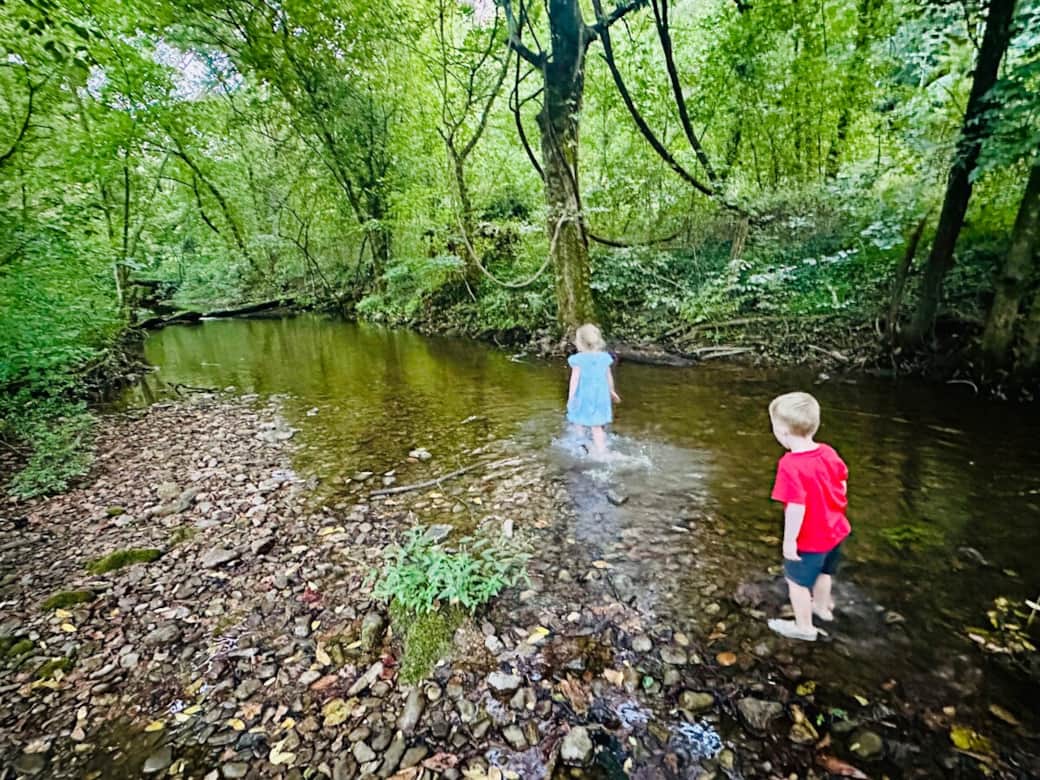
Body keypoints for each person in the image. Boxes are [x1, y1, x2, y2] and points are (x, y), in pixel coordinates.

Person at [766, 391, 851, 641]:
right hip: (835, 531)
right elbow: (842, 484)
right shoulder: (827, 452)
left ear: (783, 432)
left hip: (810, 539)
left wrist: (790, 541)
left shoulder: (790, 465)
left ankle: (804, 628)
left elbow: (796, 507)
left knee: (798, 584)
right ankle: (822, 609)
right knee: (825, 573)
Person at [566, 323, 621, 455]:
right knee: (597, 426)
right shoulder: (604, 358)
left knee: (577, 419)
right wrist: (612, 392)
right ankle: (602, 450)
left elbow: (574, 380)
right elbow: (608, 377)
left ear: (579, 343)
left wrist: (571, 398)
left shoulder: (577, 360)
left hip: (584, 396)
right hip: (601, 397)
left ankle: (582, 444)